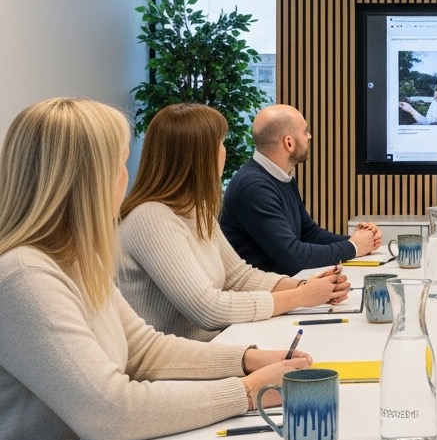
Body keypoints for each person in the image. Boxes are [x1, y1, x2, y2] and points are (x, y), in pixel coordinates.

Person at [0, 98, 312, 440]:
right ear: (88, 178)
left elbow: (144, 350)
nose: (124, 178)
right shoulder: (25, 275)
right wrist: (246, 391)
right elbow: (109, 410)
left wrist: (248, 358)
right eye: (119, 165)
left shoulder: (74, 258)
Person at [118, 104, 351, 342]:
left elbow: (239, 278)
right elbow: (207, 308)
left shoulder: (197, 211)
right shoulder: (151, 218)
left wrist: (304, 285)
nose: (224, 152)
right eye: (221, 144)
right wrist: (301, 296)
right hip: (181, 361)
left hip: (211, 345)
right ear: (200, 156)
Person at [221, 104, 382, 273]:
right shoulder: (254, 187)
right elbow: (294, 257)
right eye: (305, 131)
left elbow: (308, 233)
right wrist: (354, 246)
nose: (309, 136)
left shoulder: (281, 175)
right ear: (288, 143)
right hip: (265, 294)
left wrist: (358, 240)